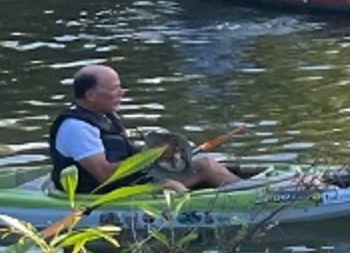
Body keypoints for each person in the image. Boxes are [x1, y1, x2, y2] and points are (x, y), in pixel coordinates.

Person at [49, 63, 242, 196]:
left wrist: (160, 150)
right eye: (115, 88)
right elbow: (104, 174)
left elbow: (120, 150)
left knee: (205, 163)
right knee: (172, 186)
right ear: (90, 95)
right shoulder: (76, 128)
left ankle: (245, 188)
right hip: (100, 193)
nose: (122, 93)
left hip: (127, 182)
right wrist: (149, 158)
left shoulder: (104, 115)